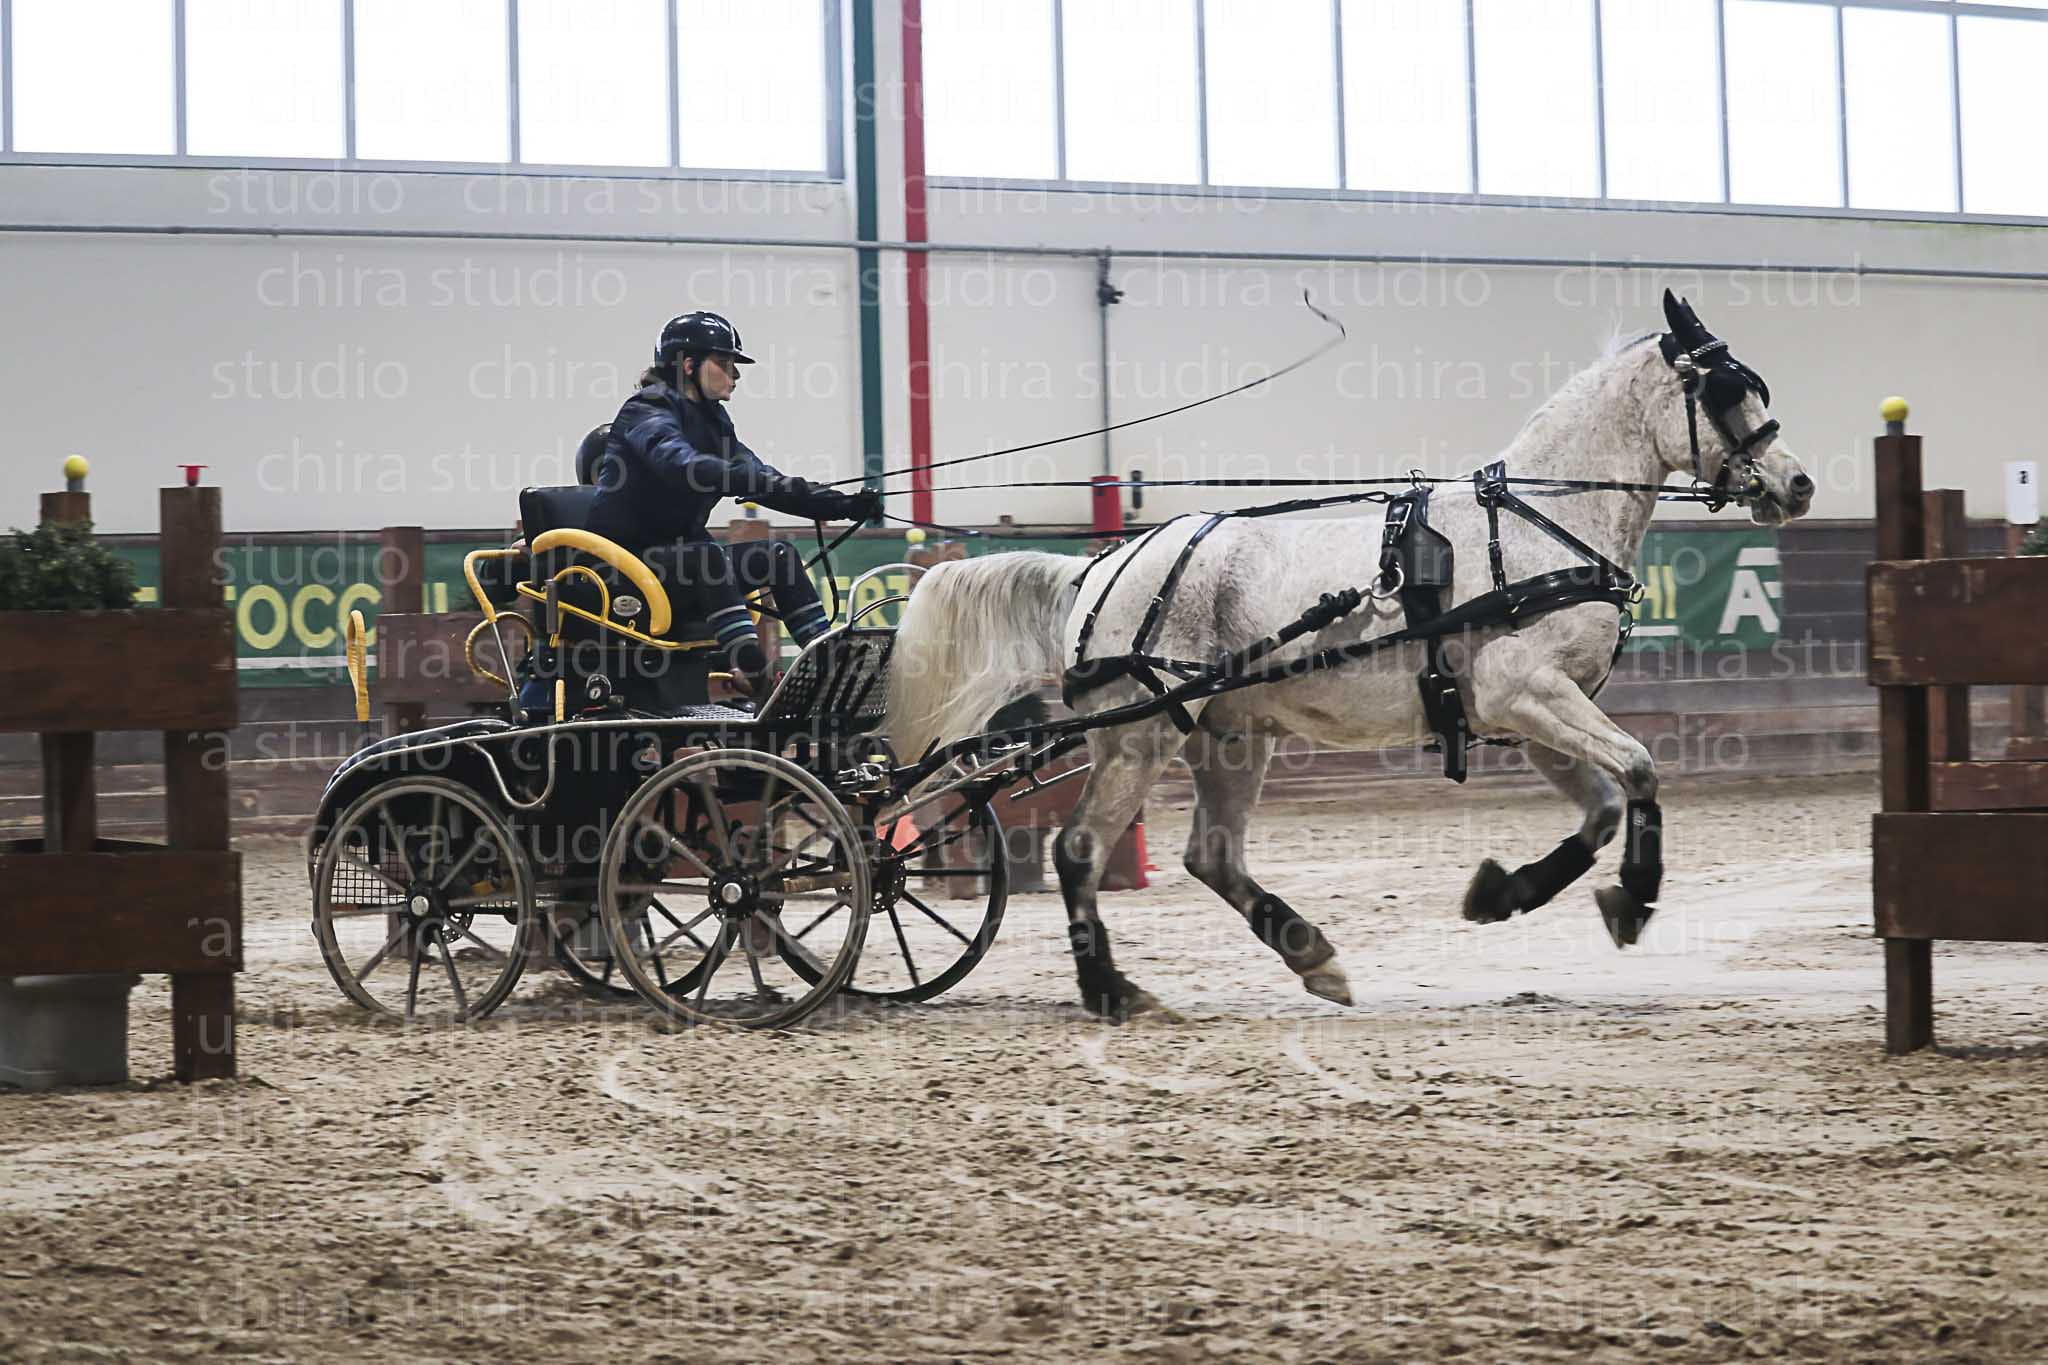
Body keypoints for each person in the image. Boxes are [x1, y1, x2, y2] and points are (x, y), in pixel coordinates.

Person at [587, 311, 878, 696]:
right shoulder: (646, 409)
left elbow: (765, 480)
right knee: (705, 558)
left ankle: (830, 669)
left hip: (677, 566)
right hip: (624, 566)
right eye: (724, 364)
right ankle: (755, 676)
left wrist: (840, 505)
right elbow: (681, 465)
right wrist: (744, 478)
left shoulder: (714, 422)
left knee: (775, 555)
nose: (735, 376)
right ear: (688, 365)